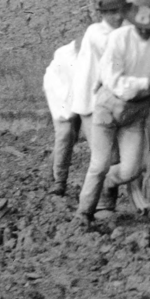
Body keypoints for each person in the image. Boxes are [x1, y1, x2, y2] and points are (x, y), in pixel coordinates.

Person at [76, 0, 150, 229]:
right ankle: (84, 211)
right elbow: (114, 80)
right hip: (109, 107)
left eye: (149, 27)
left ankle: (106, 184)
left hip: (136, 112)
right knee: (100, 163)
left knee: (132, 169)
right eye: (140, 27)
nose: (145, 31)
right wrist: (149, 82)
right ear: (133, 22)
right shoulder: (119, 39)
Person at [60, 0, 129, 196]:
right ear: (103, 14)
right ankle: (100, 203)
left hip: (112, 99)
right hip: (90, 101)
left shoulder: (124, 29)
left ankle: (108, 195)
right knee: (103, 157)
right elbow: (118, 50)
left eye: (121, 11)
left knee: (115, 156)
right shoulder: (96, 32)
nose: (117, 16)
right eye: (111, 12)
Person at [42, 34, 82, 196]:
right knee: (66, 132)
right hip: (61, 93)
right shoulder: (65, 56)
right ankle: (60, 181)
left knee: (75, 135)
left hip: (81, 94)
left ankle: (50, 167)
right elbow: (64, 88)